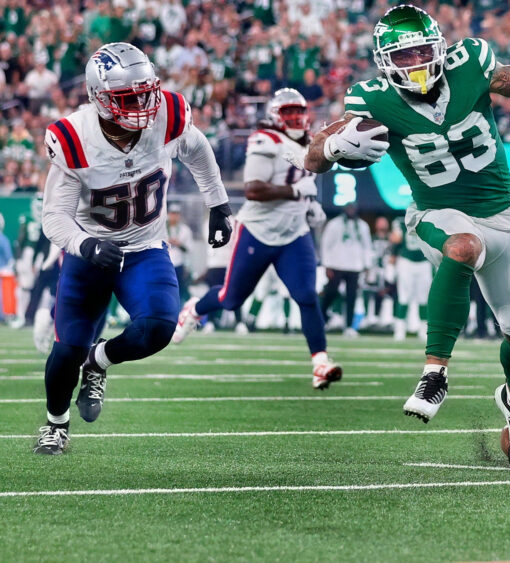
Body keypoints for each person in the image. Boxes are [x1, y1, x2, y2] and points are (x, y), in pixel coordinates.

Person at [300, 5, 510, 468]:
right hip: (437, 211)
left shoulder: (471, 63)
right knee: (463, 247)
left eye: (424, 52)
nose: (417, 64)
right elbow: (312, 157)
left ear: (441, 48)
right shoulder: (371, 98)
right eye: (404, 57)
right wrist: (331, 147)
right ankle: (434, 373)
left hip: (504, 214)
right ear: (385, 62)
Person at [36, 43, 234, 454]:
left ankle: (100, 360)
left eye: (147, 92)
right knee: (66, 349)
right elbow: (54, 216)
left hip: (144, 246)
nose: (144, 105)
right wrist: (85, 244)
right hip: (90, 253)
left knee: (159, 328)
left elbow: (197, 149)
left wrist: (217, 202)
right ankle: (56, 424)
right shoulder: (75, 137)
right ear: (100, 98)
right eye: (130, 97)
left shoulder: (167, 115)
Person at [172, 88, 341, 389]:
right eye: (287, 112)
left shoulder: (312, 142)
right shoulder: (266, 140)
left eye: (298, 112)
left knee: (306, 296)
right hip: (258, 232)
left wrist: (309, 206)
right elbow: (254, 190)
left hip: (293, 234)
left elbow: (306, 183)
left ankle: (320, 363)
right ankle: (194, 310)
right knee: (230, 299)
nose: (294, 118)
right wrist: (296, 193)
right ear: (275, 116)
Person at [319, 203, 373, 337]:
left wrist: (367, 266)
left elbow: (367, 246)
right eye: (349, 209)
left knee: (351, 297)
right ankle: (321, 319)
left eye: (353, 209)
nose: (351, 211)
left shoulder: (362, 226)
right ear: (344, 210)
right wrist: (326, 264)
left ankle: (349, 326)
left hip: (354, 266)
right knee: (330, 293)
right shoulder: (334, 224)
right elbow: (326, 244)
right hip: (336, 264)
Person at [390, 215, 432, 341]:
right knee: (404, 296)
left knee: (423, 298)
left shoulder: (428, 222)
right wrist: (392, 258)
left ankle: (423, 330)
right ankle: (399, 329)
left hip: (424, 262)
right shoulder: (401, 223)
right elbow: (395, 241)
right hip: (406, 262)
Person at [166, 202, 193, 305]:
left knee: (179, 290)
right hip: (165, 263)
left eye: (176, 214)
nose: (174, 216)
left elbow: (189, 249)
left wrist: (179, 244)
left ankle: (179, 310)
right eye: (172, 213)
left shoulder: (185, 230)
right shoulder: (162, 228)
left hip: (178, 264)